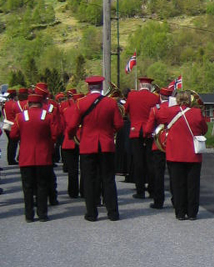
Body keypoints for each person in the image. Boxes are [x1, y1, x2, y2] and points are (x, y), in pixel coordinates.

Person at [65, 75, 124, 222]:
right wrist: (110, 133)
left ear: (88, 87)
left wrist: (71, 136)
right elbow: (119, 124)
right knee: (108, 179)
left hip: (87, 145)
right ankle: (113, 213)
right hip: (106, 144)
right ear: (101, 87)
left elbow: (72, 126)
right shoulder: (111, 103)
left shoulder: (81, 103)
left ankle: (91, 213)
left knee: (89, 180)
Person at [155, 89, 208, 220]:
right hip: (193, 154)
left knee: (177, 184)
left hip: (175, 154)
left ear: (177, 100)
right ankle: (192, 213)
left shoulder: (170, 111)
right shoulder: (196, 112)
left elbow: (158, 115)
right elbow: (204, 129)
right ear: (190, 101)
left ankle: (180, 212)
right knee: (193, 184)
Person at [10, 93, 60, 222]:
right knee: (42, 185)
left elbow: (13, 135)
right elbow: (55, 134)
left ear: (29, 103)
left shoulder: (20, 116)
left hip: (26, 157)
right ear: (41, 103)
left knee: (27, 187)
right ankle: (42, 214)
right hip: (43, 156)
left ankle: (29, 215)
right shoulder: (47, 116)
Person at [124, 77, 158, 199]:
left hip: (135, 130)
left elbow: (125, 111)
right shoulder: (155, 98)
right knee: (150, 162)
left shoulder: (132, 96)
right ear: (150, 87)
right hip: (150, 131)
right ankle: (152, 189)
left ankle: (140, 190)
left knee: (138, 162)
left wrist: (132, 119)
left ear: (140, 85)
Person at [142, 86, 173, 209]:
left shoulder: (156, 109)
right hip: (172, 142)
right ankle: (176, 199)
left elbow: (148, 128)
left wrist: (146, 136)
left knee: (158, 173)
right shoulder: (175, 109)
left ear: (160, 96)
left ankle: (158, 200)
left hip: (158, 144)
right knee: (173, 173)